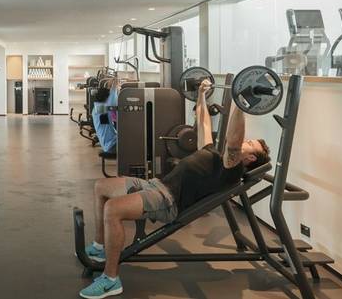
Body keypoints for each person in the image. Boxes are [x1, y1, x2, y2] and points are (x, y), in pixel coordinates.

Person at [78, 79, 271, 299]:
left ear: (251, 157)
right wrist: (201, 95)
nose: (247, 140)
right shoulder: (214, 154)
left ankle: (110, 279)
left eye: (251, 143)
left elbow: (234, 142)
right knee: (101, 186)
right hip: (157, 184)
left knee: (113, 209)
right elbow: (205, 125)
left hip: (168, 199)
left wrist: (240, 103)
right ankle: (100, 246)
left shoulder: (231, 168)